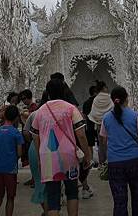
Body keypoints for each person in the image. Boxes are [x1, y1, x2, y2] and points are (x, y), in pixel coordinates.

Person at [31, 77, 92, 216]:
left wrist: (40, 157)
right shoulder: (71, 108)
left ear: (48, 92)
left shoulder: (41, 111)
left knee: (53, 196)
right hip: (68, 155)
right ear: (64, 91)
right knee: (72, 192)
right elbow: (81, 134)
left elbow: (35, 135)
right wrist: (87, 155)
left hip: (47, 157)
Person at [99, 86, 138, 216]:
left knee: (119, 202)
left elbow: (103, 141)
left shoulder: (106, 118)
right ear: (126, 99)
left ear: (112, 100)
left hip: (115, 164)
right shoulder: (136, 116)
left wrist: (105, 158)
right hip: (135, 162)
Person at [0, 105, 24, 216]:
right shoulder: (16, 133)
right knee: (10, 197)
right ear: (16, 118)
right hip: (10, 169)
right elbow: (19, 153)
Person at [23, 109, 47, 214]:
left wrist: (32, 141)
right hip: (54, 147)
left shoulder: (35, 113)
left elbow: (26, 132)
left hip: (35, 147)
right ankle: (52, 210)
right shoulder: (65, 110)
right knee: (55, 183)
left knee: (40, 183)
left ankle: (47, 211)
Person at [79, 84, 98, 199]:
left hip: (89, 127)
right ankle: (97, 162)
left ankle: (91, 161)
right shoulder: (97, 103)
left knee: (90, 144)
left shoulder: (87, 103)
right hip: (96, 126)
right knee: (97, 144)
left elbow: (85, 115)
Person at [88, 80, 113, 164]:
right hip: (110, 126)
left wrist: (99, 120)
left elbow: (94, 114)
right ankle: (111, 161)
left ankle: (102, 163)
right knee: (111, 144)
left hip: (100, 125)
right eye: (106, 87)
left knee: (101, 145)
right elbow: (113, 111)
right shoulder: (110, 98)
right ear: (104, 88)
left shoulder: (96, 99)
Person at [18, 89, 38, 183]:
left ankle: (35, 178)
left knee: (33, 157)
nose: (23, 101)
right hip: (28, 135)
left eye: (24, 98)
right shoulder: (29, 107)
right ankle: (34, 178)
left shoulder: (34, 108)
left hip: (32, 135)